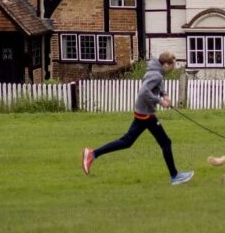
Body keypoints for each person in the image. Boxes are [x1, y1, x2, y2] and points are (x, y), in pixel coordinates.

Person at [82, 52, 194, 185]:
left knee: (126, 141)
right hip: (147, 115)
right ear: (165, 64)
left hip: (142, 112)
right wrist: (160, 101)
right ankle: (175, 176)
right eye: (172, 65)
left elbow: (156, 84)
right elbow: (143, 92)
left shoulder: (154, 70)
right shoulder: (156, 74)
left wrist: (165, 94)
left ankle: (92, 154)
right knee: (166, 142)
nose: (173, 68)